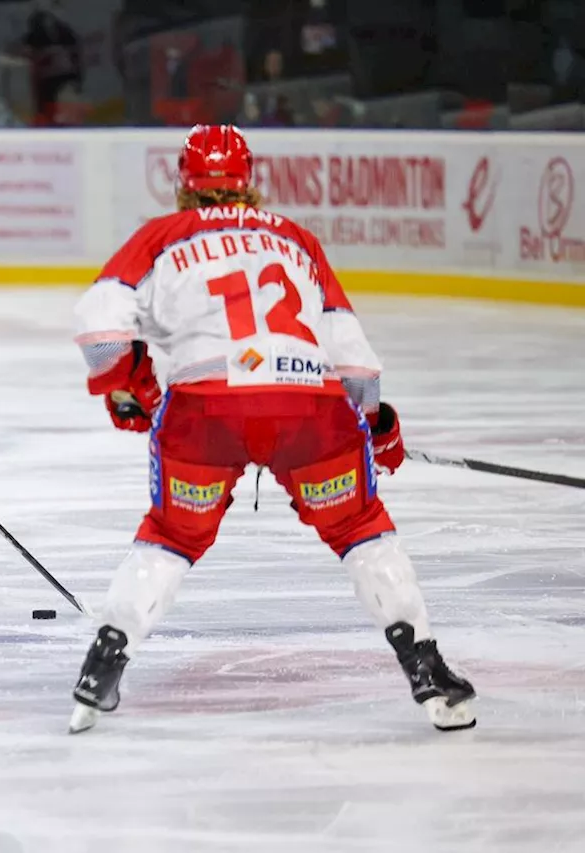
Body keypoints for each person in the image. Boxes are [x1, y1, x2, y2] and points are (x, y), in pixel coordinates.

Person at [66, 124, 476, 735]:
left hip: (205, 413)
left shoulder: (160, 237)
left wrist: (134, 387)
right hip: (308, 409)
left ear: (184, 180)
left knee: (173, 537)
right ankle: (427, 671)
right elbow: (355, 363)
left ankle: (103, 663)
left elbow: (101, 331)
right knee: (359, 526)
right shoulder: (297, 240)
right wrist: (377, 428)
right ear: (248, 180)